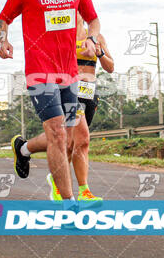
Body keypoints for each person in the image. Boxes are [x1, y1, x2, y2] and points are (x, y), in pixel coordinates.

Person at [0, 0, 100, 208]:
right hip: (40, 73)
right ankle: (68, 203)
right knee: (56, 133)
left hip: (70, 75)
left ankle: (24, 148)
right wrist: (2, 39)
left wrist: (91, 39)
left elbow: (93, 19)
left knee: (67, 137)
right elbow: (3, 18)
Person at [21, 12, 114, 204]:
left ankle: (25, 149)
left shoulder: (96, 37)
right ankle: (81, 191)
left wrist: (100, 53)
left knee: (74, 143)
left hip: (89, 94)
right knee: (80, 138)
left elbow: (110, 67)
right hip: (69, 90)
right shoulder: (62, 37)